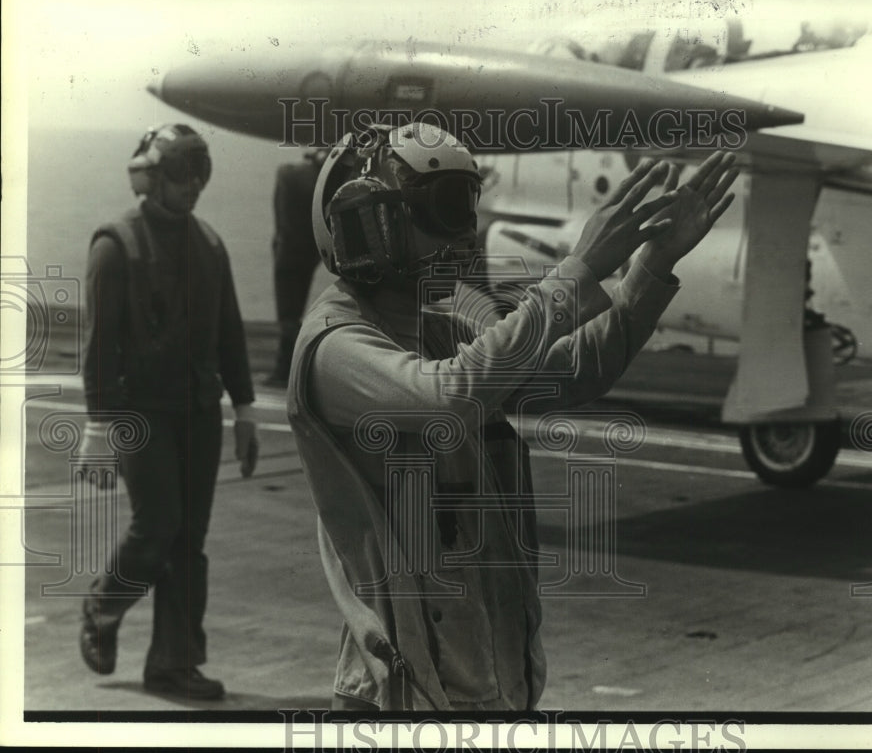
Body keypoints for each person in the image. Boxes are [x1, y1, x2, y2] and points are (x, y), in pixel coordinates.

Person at [286, 122, 738, 710]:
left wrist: (651, 265)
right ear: (371, 224)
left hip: (489, 683)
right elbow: (448, 398)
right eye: (442, 211)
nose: (463, 236)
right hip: (405, 696)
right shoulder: (335, 347)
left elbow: (581, 366)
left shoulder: (436, 329)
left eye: (463, 207)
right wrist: (577, 270)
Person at [78, 123, 260, 700]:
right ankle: (102, 606)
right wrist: (98, 426)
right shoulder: (115, 245)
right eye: (181, 174)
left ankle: (174, 663)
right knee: (157, 527)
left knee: (190, 540)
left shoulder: (209, 244)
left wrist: (247, 411)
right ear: (151, 176)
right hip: (140, 416)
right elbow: (99, 345)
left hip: (199, 414)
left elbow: (229, 333)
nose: (194, 186)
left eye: (200, 173)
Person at [264, 148, 326, 387]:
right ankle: (289, 367)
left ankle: (285, 368)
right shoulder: (301, 178)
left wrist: (281, 243)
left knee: (289, 310)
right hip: (309, 245)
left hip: (291, 246)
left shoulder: (289, 175)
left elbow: (284, 226)